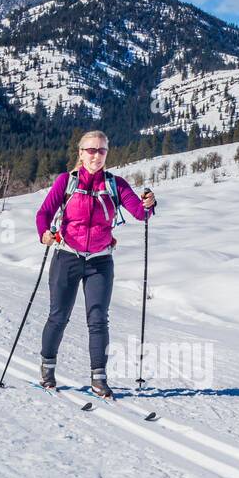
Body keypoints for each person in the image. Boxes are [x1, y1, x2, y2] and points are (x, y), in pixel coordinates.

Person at [35, 130, 155, 398]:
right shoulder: (67, 181)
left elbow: (139, 212)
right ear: (80, 153)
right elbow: (44, 212)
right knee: (59, 316)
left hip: (100, 260)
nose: (96, 155)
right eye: (91, 150)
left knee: (98, 319)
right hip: (67, 255)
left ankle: (99, 378)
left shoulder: (115, 184)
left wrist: (149, 204)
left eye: (101, 151)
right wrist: (44, 232)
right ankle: (47, 368)